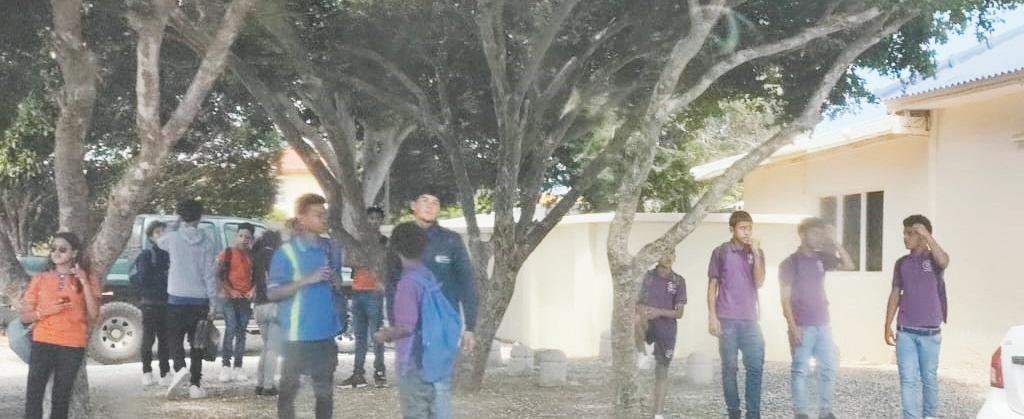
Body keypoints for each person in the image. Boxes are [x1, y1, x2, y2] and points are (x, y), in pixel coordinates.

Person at [268, 194, 343, 419]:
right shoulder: (286, 253)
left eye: (324, 214)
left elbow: (336, 283)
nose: (323, 218)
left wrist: (336, 281)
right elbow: (272, 293)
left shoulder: (330, 249)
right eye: (318, 214)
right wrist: (307, 280)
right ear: (301, 218)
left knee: (325, 394)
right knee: (288, 393)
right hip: (296, 334)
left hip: (325, 333)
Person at [376, 222, 458, 419]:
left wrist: (385, 334)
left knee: (416, 412)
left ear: (395, 248)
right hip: (434, 358)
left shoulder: (407, 283)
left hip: (414, 361)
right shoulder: (427, 275)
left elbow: (406, 327)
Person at [386, 190, 477, 358]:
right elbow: (392, 282)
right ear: (413, 205)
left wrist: (470, 327)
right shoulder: (401, 238)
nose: (430, 206)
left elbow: (467, 283)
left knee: (439, 373)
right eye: (424, 200)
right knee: (412, 372)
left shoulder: (451, 240)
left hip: (443, 324)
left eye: (435, 203)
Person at [779, 218, 855, 419]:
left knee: (828, 368)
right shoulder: (790, 263)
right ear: (802, 235)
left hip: (823, 324)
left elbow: (849, 265)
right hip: (802, 325)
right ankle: (801, 412)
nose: (819, 237)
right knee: (800, 370)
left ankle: (825, 412)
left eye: (821, 234)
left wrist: (834, 241)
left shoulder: (822, 258)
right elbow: (785, 298)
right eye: (815, 233)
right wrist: (792, 326)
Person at [21, 232, 101, 419]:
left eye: (62, 249)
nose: (56, 253)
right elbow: (25, 317)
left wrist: (83, 281)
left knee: (61, 396)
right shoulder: (40, 279)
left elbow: (94, 314)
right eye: (53, 249)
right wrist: (45, 311)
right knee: (34, 394)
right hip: (43, 341)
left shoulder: (87, 278)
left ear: (74, 253)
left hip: (72, 344)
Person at [884, 215, 950, 419]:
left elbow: (944, 261)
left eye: (911, 233)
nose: (905, 237)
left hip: (930, 333)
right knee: (908, 379)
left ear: (923, 235)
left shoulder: (934, 260)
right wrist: (887, 325)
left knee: (929, 379)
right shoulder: (901, 263)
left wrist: (928, 236)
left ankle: (929, 416)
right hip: (906, 332)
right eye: (905, 233)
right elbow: (895, 293)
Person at [708, 210, 766, 419]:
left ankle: (753, 414)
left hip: (750, 319)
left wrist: (756, 253)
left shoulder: (756, 252)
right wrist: (712, 316)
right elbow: (712, 286)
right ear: (732, 229)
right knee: (730, 368)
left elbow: (759, 282)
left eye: (749, 228)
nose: (747, 232)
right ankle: (734, 413)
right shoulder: (721, 252)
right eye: (742, 228)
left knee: (755, 367)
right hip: (727, 319)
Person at [161, 199, 220, 399]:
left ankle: (179, 367)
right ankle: (195, 384)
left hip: (176, 298)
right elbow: (209, 274)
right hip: (200, 300)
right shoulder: (208, 241)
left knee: (174, 337)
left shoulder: (173, 238)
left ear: (181, 215)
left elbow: (159, 241)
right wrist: (213, 303)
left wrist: (175, 222)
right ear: (200, 217)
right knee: (198, 343)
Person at [340, 206, 389, 389]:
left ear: (381, 221)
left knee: (376, 335)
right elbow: (348, 261)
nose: (374, 221)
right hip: (358, 290)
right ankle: (358, 373)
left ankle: (379, 372)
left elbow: (385, 262)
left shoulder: (384, 242)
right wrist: (367, 260)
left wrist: (364, 260)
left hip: (375, 291)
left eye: (377, 218)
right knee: (360, 336)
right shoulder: (357, 241)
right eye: (371, 218)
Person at [636, 252, 687, 419]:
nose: (668, 257)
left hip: (667, 330)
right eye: (664, 253)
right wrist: (644, 310)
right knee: (636, 319)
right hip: (647, 325)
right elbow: (635, 303)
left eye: (672, 253)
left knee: (662, 371)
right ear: (657, 256)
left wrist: (659, 312)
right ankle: (641, 352)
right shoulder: (647, 277)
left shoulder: (678, 281)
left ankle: (658, 414)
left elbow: (679, 313)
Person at [134, 221, 172, 387]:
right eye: (157, 232)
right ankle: (146, 371)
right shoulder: (147, 255)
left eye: (164, 231)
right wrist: (164, 276)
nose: (162, 235)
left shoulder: (171, 255)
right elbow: (144, 278)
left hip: (167, 302)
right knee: (148, 338)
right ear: (151, 237)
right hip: (150, 302)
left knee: (165, 339)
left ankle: (165, 372)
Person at [217, 222, 256, 383]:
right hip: (229, 298)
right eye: (241, 235)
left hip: (245, 299)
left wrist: (253, 290)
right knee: (231, 327)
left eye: (247, 237)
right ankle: (225, 365)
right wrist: (230, 290)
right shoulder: (227, 253)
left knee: (241, 332)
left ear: (251, 239)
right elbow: (218, 276)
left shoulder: (253, 256)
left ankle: (238, 366)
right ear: (236, 236)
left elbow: (258, 276)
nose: (244, 239)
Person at [252, 230, 284, 396]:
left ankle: (259, 383)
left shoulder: (256, 257)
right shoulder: (276, 258)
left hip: (259, 306)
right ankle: (268, 385)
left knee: (266, 347)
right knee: (273, 349)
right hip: (274, 306)